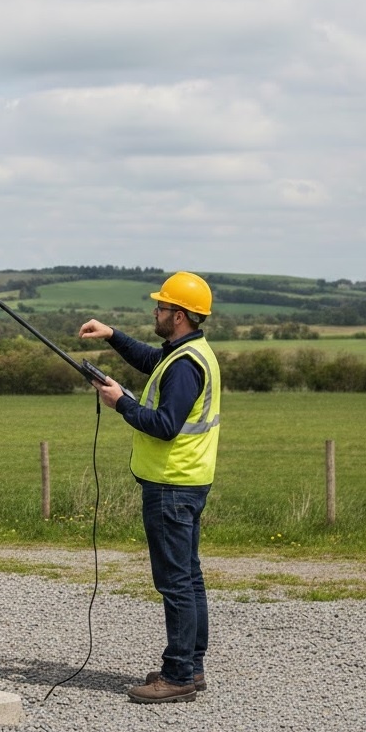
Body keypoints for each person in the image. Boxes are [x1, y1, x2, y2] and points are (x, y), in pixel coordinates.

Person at [78, 271, 221, 704]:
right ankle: (190, 666)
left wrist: (121, 402)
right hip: (187, 481)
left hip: (171, 485)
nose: (154, 312)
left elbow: (163, 426)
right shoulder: (187, 352)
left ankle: (177, 675)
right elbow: (147, 360)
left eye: (160, 308)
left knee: (175, 582)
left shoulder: (185, 367)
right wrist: (112, 336)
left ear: (178, 315)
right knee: (189, 578)